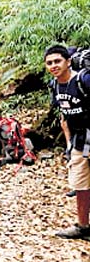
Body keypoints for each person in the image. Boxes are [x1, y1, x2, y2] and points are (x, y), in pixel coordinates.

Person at [44, 44, 90, 239]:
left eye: (57, 61)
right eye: (49, 63)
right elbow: (64, 116)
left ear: (68, 62)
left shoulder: (83, 80)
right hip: (79, 140)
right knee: (80, 183)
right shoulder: (55, 85)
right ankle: (83, 226)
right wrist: (69, 143)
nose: (54, 66)